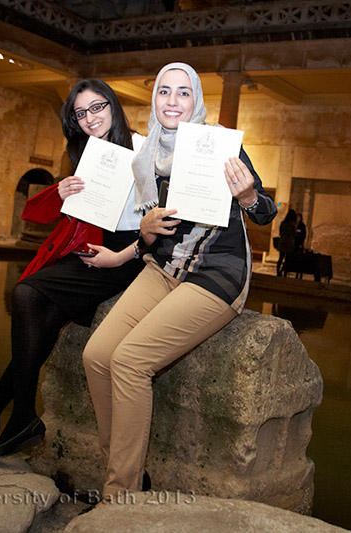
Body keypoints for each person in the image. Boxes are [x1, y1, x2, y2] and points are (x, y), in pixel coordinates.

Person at [81, 62, 277, 502]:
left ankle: (119, 495)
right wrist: (145, 229)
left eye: (183, 92)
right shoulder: (144, 157)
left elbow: (266, 211)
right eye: (164, 91)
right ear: (154, 99)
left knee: (130, 361)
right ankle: (125, 469)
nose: (173, 101)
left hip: (216, 274)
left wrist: (248, 196)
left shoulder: (220, 146)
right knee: (96, 355)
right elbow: (152, 237)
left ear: (196, 101)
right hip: (164, 269)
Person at [0, 79, 146, 463]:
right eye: (80, 113)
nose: (90, 118)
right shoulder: (88, 153)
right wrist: (63, 192)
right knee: (37, 310)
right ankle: (1, 416)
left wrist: (119, 256)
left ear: (113, 105)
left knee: (28, 294)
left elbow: (161, 223)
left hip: (128, 256)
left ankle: (7, 416)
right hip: (91, 250)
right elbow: (61, 214)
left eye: (97, 107)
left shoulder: (143, 149)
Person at [276, 209, 297, 276]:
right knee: (287, 259)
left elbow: (280, 232)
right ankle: (283, 272)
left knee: (280, 258)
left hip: (283, 241)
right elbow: (294, 234)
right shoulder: (293, 224)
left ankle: (278, 271)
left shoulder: (283, 223)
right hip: (289, 242)